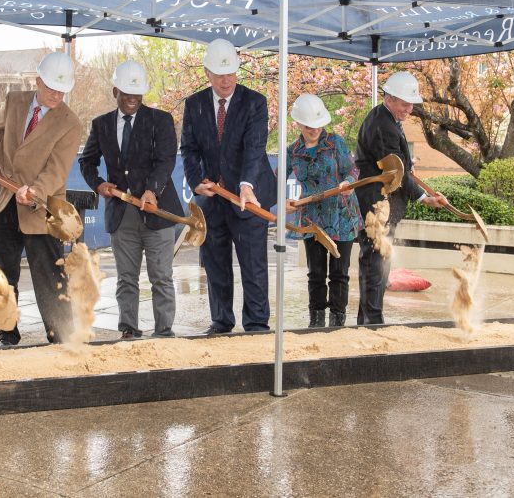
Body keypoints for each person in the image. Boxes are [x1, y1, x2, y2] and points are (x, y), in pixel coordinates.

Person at [0, 51, 84, 345]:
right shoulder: (14, 101)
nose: (56, 95)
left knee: (49, 274)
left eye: (62, 90)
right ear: (37, 81)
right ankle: (7, 332)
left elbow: (57, 169)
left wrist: (35, 191)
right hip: (4, 200)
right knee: (3, 272)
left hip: (42, 207)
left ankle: (61, 335)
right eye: (51, 88)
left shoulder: (70, 123)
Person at [181, 38, 277, 334]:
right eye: (220, 75)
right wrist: (196, 182)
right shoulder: (194, 104)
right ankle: (221, 321)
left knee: (253, 264)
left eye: (231, 73)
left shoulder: (254, 102)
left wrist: (246, 185)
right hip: (213, 198)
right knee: (216, 264)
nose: (226, 81)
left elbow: (254, 148)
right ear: (207, 73)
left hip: (249, 197)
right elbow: (189, 149)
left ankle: (257, 323)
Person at [79, 60, 181, 339]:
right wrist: (98, 184)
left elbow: (166, 160)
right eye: (126, 94)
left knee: (161, 276)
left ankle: (164, 331)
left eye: (137, 94)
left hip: (157, 211)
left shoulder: (161, 121)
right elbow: (87, 161)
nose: (132, 99)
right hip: (121, 214)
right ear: (115, 92)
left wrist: (152, 190)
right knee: (126, 278)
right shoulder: (101, 125)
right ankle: (128, 329)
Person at [353, 71, 447, 325]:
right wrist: (422, 197)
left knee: (379, 261)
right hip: (377, 204)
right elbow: (395, 171)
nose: (409, 109)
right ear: (390, 99)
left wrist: (417, 181)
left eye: (411, 104)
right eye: (405, 104)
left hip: (382, 202)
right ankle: (372, 322)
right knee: (375, 262)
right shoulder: (382, 125)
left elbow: (400, 166)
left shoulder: (386, 118)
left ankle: (369, 319)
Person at [282, 94, 363, 328]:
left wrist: (348, 183)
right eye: (309, 126)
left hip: (341, 214)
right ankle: (316, 322)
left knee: (339, 272)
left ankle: (337, 322)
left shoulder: (335, 142)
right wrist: (283, 199)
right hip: (312, 218)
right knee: (316, 273)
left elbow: (352, 170)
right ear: (298, 123)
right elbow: (275, 179)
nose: (315, 130)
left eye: (318, 125)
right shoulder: (293, 151)